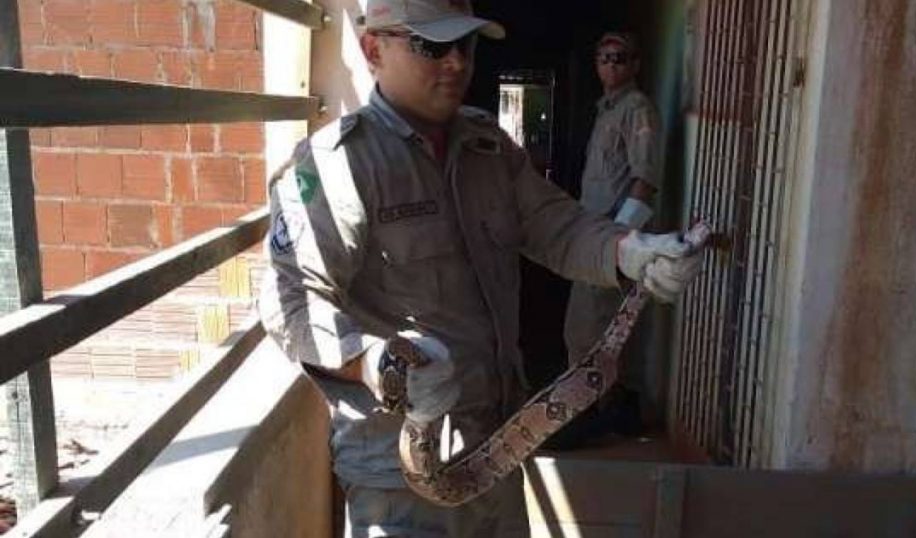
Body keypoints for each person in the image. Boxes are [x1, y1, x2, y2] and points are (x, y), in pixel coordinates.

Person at [257, 2, 702, 536]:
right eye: (431, 46)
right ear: (374, 50)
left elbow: (555, 224)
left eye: (464, 45)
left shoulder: (487, 144)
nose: (455, 64)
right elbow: (291, 301)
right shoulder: (337, 164)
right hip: (398, 477)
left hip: (496, 453)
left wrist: (630, 253)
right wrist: (376, 365)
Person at [561, 32, 663, 444]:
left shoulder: (637, 108)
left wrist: (623, 241)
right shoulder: (607, 110)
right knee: (591, 331)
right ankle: (611, 413)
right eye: (604, 57)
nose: (612, 64)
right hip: (594, 238)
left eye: (620, 57)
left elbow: (646, 179)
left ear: (635, 64)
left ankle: (592, 416)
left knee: (589, 332)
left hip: (612, 243)